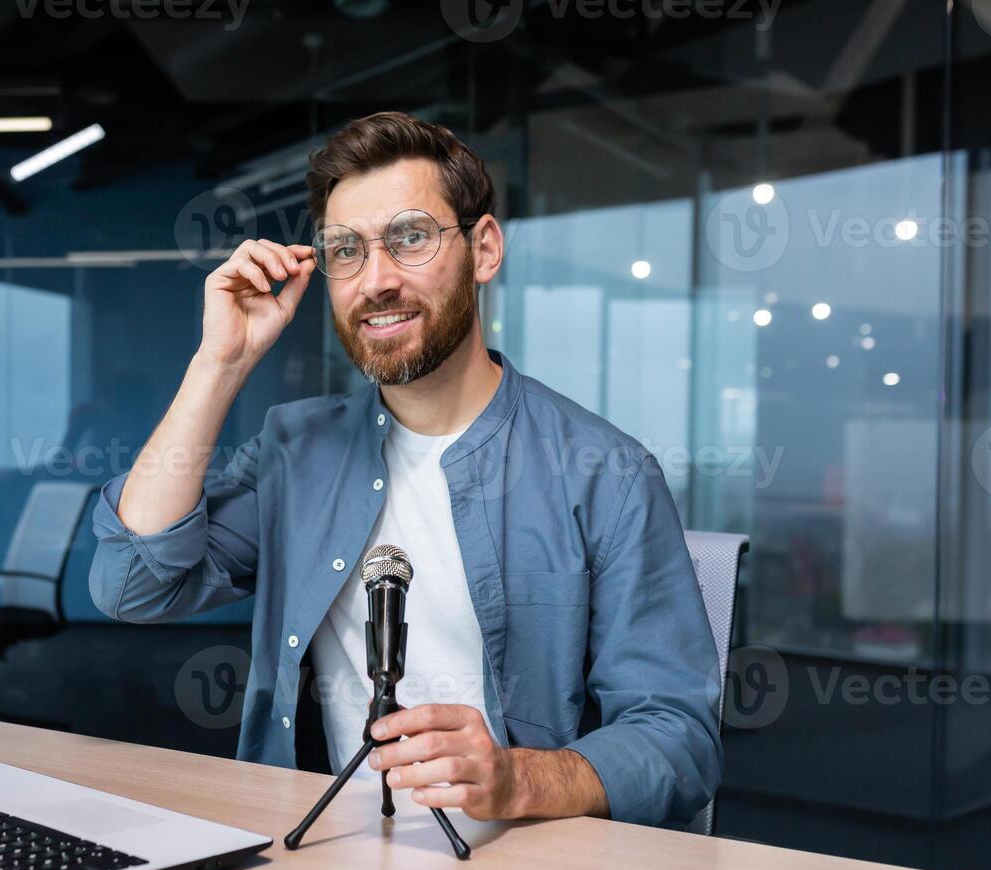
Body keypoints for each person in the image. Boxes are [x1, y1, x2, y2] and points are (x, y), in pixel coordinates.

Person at [90, 110, 720, 827]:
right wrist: (220, 364)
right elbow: (132, 585)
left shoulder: (605, 473)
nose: (376, 280)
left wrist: (518, 781)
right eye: (345, 250)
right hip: (314, 857)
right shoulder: (297, 449)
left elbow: (680, 740)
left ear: (483, 249)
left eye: (410, 238)